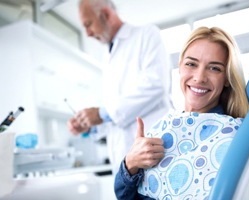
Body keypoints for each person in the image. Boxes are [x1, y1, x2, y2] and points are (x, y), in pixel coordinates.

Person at [114, 26, 249, 199]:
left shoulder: (231, 134)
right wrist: (130, 163)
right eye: (191, 64)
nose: (199, 77)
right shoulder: (166, 126)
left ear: (226, 78)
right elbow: (123, 195)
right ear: (180, 68)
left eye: (214, 68)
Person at [67, 0, 173, 174]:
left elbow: (156, 85)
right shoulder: (108, 56)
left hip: (153, 153)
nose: (86, 33)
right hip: (125, 162)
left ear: (107, 15)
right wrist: (89, 124)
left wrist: (100, 114)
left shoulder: (146, 35)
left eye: (88, 24)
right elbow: (117, 115)